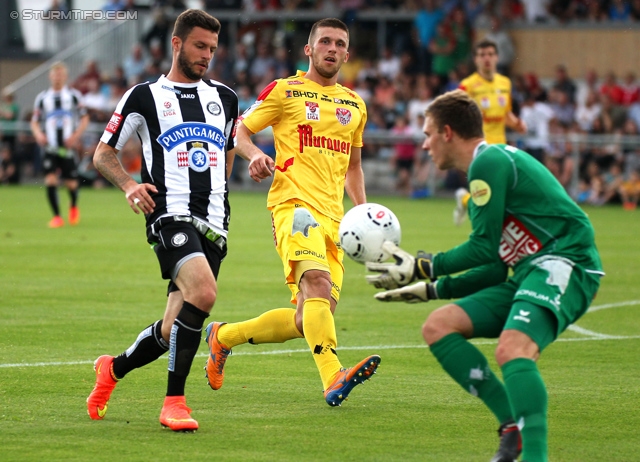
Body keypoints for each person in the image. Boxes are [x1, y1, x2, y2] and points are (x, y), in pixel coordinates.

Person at [366, 89, 603, 462]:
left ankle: (534, 454)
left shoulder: (487, 161)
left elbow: (483, 250)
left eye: (427, 134)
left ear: (447, 132)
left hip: (566, 262)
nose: (424, 145)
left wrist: (422, 265)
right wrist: (432, 290)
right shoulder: (482, 173)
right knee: (439, 326)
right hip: (529, 271)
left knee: (513, 349)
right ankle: (512, 425)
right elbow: (494, 267)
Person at [203, 17, 380, 408]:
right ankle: (333, 375)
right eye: (326, 42)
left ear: (347, 54)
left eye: (340, 44)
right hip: (293, 206)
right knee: (316, 284)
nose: (332, 49)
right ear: (309, 49)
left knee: (309, 318)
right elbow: (240, 131)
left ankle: (223, 336)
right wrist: (254, 155)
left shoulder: (355, 104)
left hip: (336, 220)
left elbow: (353, 167)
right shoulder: (286, 91)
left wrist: (363, 212)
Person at [87, 9, 239, 432]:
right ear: (176, 43)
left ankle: (112, 369)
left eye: (212, 48)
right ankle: (174, 402)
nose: (207, 55)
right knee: (204, 294)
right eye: (199, 46)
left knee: (174, 328)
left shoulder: (225, 97)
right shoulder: (143, 96)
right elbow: (103, 154)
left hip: (215, 220)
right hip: (168, 214)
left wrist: (223, 185)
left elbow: (228, 147)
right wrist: (129, 186)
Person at [454, 39, 527, 226]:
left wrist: (517, 124)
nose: (486, 58)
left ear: (497, 57)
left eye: (490, 54)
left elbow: (506, 114)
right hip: (478, 146)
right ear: (475, 59)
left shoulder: (505, 83)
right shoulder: (467, 86)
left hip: (500, 145)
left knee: (492, 193)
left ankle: (465, 200)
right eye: (482, 55)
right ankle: (489, 232)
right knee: (491, 193)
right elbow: (456, 114)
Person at [30, 62, 89, 228]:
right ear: (50, 76)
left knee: (71, 183)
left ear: (65, 77)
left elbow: (85, 118)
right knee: (50, 180)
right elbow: (34, 121)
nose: (57, 77)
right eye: (55, 74)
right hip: (50, 147)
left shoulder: (74, 96)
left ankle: (73, 206)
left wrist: (75, 136)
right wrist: (38, 134)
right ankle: (57, 217)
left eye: (61, 74)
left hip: (67, 147)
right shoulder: (42, 98)